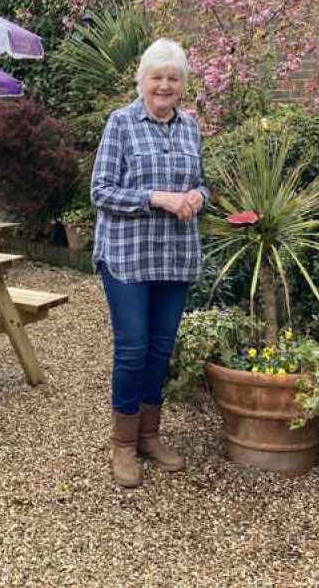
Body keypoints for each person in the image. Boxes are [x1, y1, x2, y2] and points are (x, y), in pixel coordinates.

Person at [90, 38, 210, 488]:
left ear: (182, 85)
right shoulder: (120, 123)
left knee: (161, 349)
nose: (164, 86)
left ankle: (148, 435)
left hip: (175, 256)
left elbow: (202, 182)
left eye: (173, 79)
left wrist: (198, 196)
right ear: (142, 82)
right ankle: (122, 444)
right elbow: (100, 192)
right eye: (156, 77)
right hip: (127, 255)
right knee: (134, 347)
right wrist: (157, 198)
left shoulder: (190, 127)